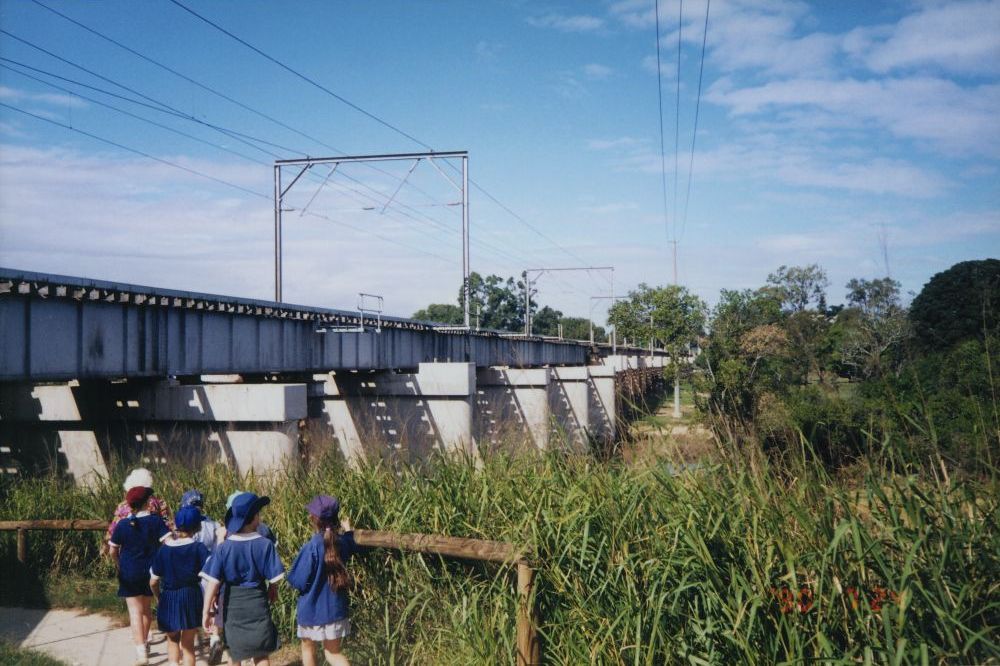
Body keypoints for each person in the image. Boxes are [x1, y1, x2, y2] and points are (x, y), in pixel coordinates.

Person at [200, 492, 284, 665]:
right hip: (257, 602)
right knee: (261, 653)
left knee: (235, 654)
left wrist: (206, 611)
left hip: (233, 605)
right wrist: (272, 588)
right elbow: (275, 577)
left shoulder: (224, 547)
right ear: (254, 518)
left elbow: (213, 582)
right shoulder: (265, 544)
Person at [287, 495, 357, 666]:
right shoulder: (343, 542)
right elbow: (351, 540)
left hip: (311, 611)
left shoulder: (311, 547)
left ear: (314, 519)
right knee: (333, 654)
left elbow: (297, 581)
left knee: (308, 649)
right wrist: (348, 531)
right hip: (335, 610)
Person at [109, 485, 171, 666]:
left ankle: (141, 651)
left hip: (129, 572)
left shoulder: (122, 525)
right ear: (147, 503)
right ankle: (145, 643)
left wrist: (119, 564)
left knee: (135, 612)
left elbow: (113, 550)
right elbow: (168, 543)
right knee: (146, 610)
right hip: (151, 571)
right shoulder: (155, 521)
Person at [150, 506, 210, 666]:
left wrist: (159, 598)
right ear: (197, 527)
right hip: (191, 596)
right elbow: (211, 575)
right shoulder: (199, 548)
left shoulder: (164, 550)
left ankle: (174, 663)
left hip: (169, 597)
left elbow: (153, 581)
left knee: (172, 639)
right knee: (188, 644)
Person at [178, 489, 224, 664]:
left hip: (190, 574)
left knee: (191, 611)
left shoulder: (186, 526)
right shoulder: (212, 524)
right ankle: (214, 638)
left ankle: (187, 648)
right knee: (211, 606)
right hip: (209, 572)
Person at [107, 468, 173, 545]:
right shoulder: (159, 503)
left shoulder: (122, 507)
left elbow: (113, 529)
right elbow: (166, 522)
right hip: (154, 545)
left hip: (130, 546)